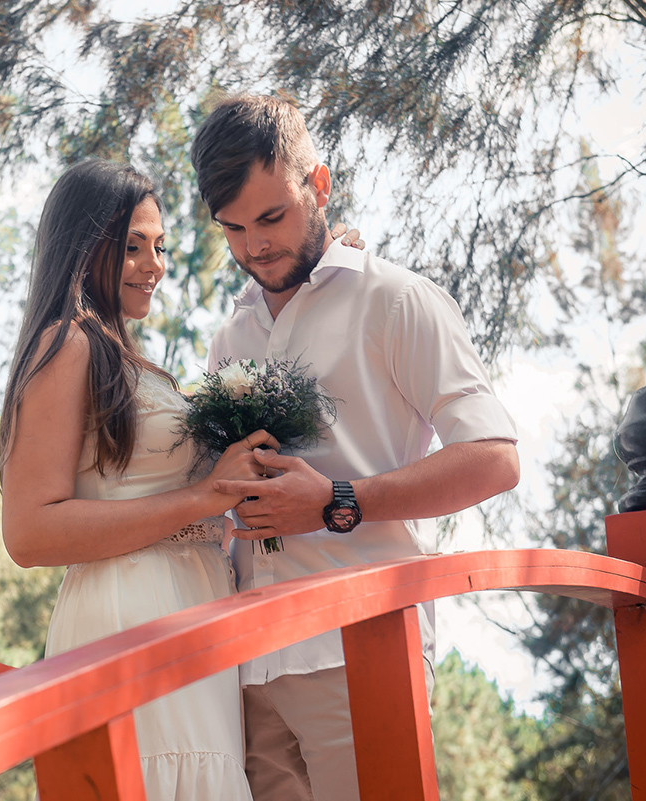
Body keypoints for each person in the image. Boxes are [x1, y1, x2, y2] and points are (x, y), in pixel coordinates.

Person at [190, 94, 521, 801]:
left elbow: (495, 455)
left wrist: (340, 500)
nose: (255, 246)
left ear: (321, 184)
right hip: (249, 667)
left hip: (359, 647)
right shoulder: (230, 341)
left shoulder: (397, 301)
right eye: (234, 228)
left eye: (272, 217)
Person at [0, 158, 276, 799]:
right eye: (131, 246)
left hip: (191, 608)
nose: (154, 265)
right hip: (128, 610)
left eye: (159, 247)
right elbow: (30, 531)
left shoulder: (125, 355)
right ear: (82, 246)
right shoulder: (66, 344)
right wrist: (201, 497)